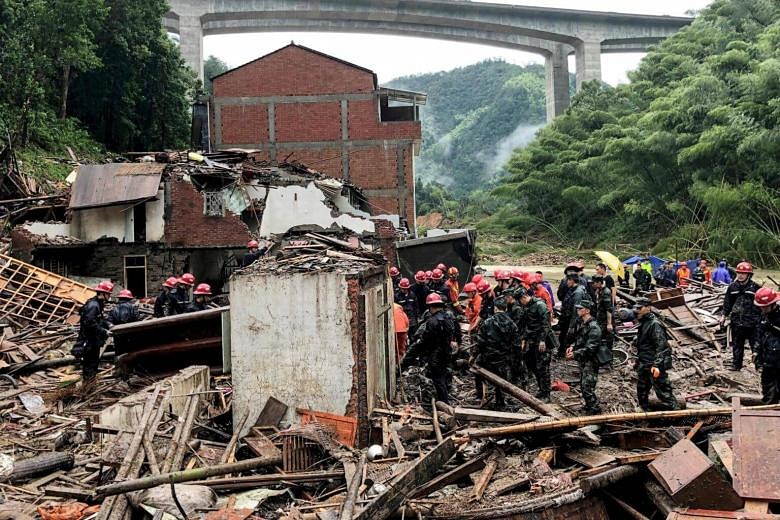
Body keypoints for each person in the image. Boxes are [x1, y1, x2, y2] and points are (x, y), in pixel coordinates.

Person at [403, 293, 457, 403]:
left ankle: (444, 402)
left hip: (435, 355)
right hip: (446, 352)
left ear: (430, 307)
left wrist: (415, 350)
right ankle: (445, 395)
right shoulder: (449, 318)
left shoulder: (432, 322)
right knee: (444, 374)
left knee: (438, 379)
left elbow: (425, 340)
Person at [470, 296, 520, 410]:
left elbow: (480, 342)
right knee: (501, 381)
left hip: (487, 358)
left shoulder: (488, 322)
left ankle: (480, 395)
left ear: (496, 308)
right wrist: (515, 361)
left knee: (478, 371)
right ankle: (500, 402)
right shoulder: (512, 324)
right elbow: (516, 345)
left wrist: (473, 356)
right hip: (503, 359)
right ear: (506, 308)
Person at [633, 298, 678, 411]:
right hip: (644, 363)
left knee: (664, 393)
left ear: (648, 308)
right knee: (642, 391)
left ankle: (677, 415)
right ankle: (646, 414)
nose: (637, 311)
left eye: (640, 308)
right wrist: (639, 361)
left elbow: (661, 347)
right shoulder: (644, 322)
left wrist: (657, 365)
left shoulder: (655, 324)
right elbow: (644, 346)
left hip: (654, 364)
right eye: (636, 308)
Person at [720, 262, 762, 370]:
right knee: (737, 345)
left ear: (749, 275)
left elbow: (762, 305)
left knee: (756, 345)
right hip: (737, 321)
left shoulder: (755, 288)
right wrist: (723, 316)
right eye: (739, 273)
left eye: (743, 273)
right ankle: (736, 365)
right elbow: (727, 303)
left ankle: (759, 366)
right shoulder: (732, 287)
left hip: (753, 322)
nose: (740, 275)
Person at [566, 300, 602, 414]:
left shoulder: (594, 327)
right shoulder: (582, 322)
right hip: (584, 359)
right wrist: (573, 347)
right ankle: (589, 405)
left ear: (587, 311)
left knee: (587, 387)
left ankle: (595, 409)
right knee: (583, 385)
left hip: (591, 360)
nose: (577, 310)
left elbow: (591, 348)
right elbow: (579, 339)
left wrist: (575, 354)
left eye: (580, 309)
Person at [519, 288, 553, 400]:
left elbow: (546, 324)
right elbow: (526, 325)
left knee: (543, 367)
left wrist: (543, 340)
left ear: (524, 297)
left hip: (542, 341)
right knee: (532, 365)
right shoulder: (527, 307)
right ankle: (541, 389)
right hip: (532, 340)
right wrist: (524, 339)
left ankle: (546, 393)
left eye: (520, 300)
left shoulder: (540, 305)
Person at [77, 281, 114, 384]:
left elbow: (99, 320)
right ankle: (87, 389)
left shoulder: (97, 304)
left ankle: (89, 386)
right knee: (90, 365)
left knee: (93, 365)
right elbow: (90, 324)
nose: (109, 296)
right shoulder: (94, 305)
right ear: (103, 293)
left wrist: (108, 324)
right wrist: (104, 332)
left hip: (93, 340)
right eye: (109, 294)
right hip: (89, 341)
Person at [754, 288, 780, 404]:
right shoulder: (763, 315)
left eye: (765, 306)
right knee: (768, 391)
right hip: (767, 360)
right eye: (761, 307)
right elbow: (759, 335)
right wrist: (756, 352)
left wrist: (773, 327)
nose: (762, 309)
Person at [559, 273, 587, 357]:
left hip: (570, 319)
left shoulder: (578, 292)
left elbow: (576, 311)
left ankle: (566, 353)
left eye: (568, 280)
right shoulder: (573, 289)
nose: (567, 282)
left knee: (568, 336)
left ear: (572, 280)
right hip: (567, 317)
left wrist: (571, 326)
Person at [592, 275, 614, 351]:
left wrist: (609, 323)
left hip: (605, 320)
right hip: (601, 318)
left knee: (608, 339)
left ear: (599, 283)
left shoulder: (606, 292)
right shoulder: (600, 290)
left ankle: (608, 354)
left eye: (594, 283)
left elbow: (609, 309)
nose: (593, 285)